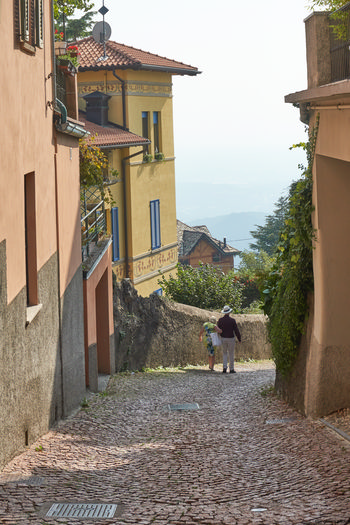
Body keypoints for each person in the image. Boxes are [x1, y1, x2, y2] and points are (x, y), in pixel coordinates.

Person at [217, 305, 241, 373]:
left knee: (224, 353)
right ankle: (231, 369)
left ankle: (224, 368)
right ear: (229, 312)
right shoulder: (232, 320)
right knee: (231, 353)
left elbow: (218, 329)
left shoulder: (220, 320)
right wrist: (239, 338)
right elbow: (236, 330)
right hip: (231, 338)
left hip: (223, 338)